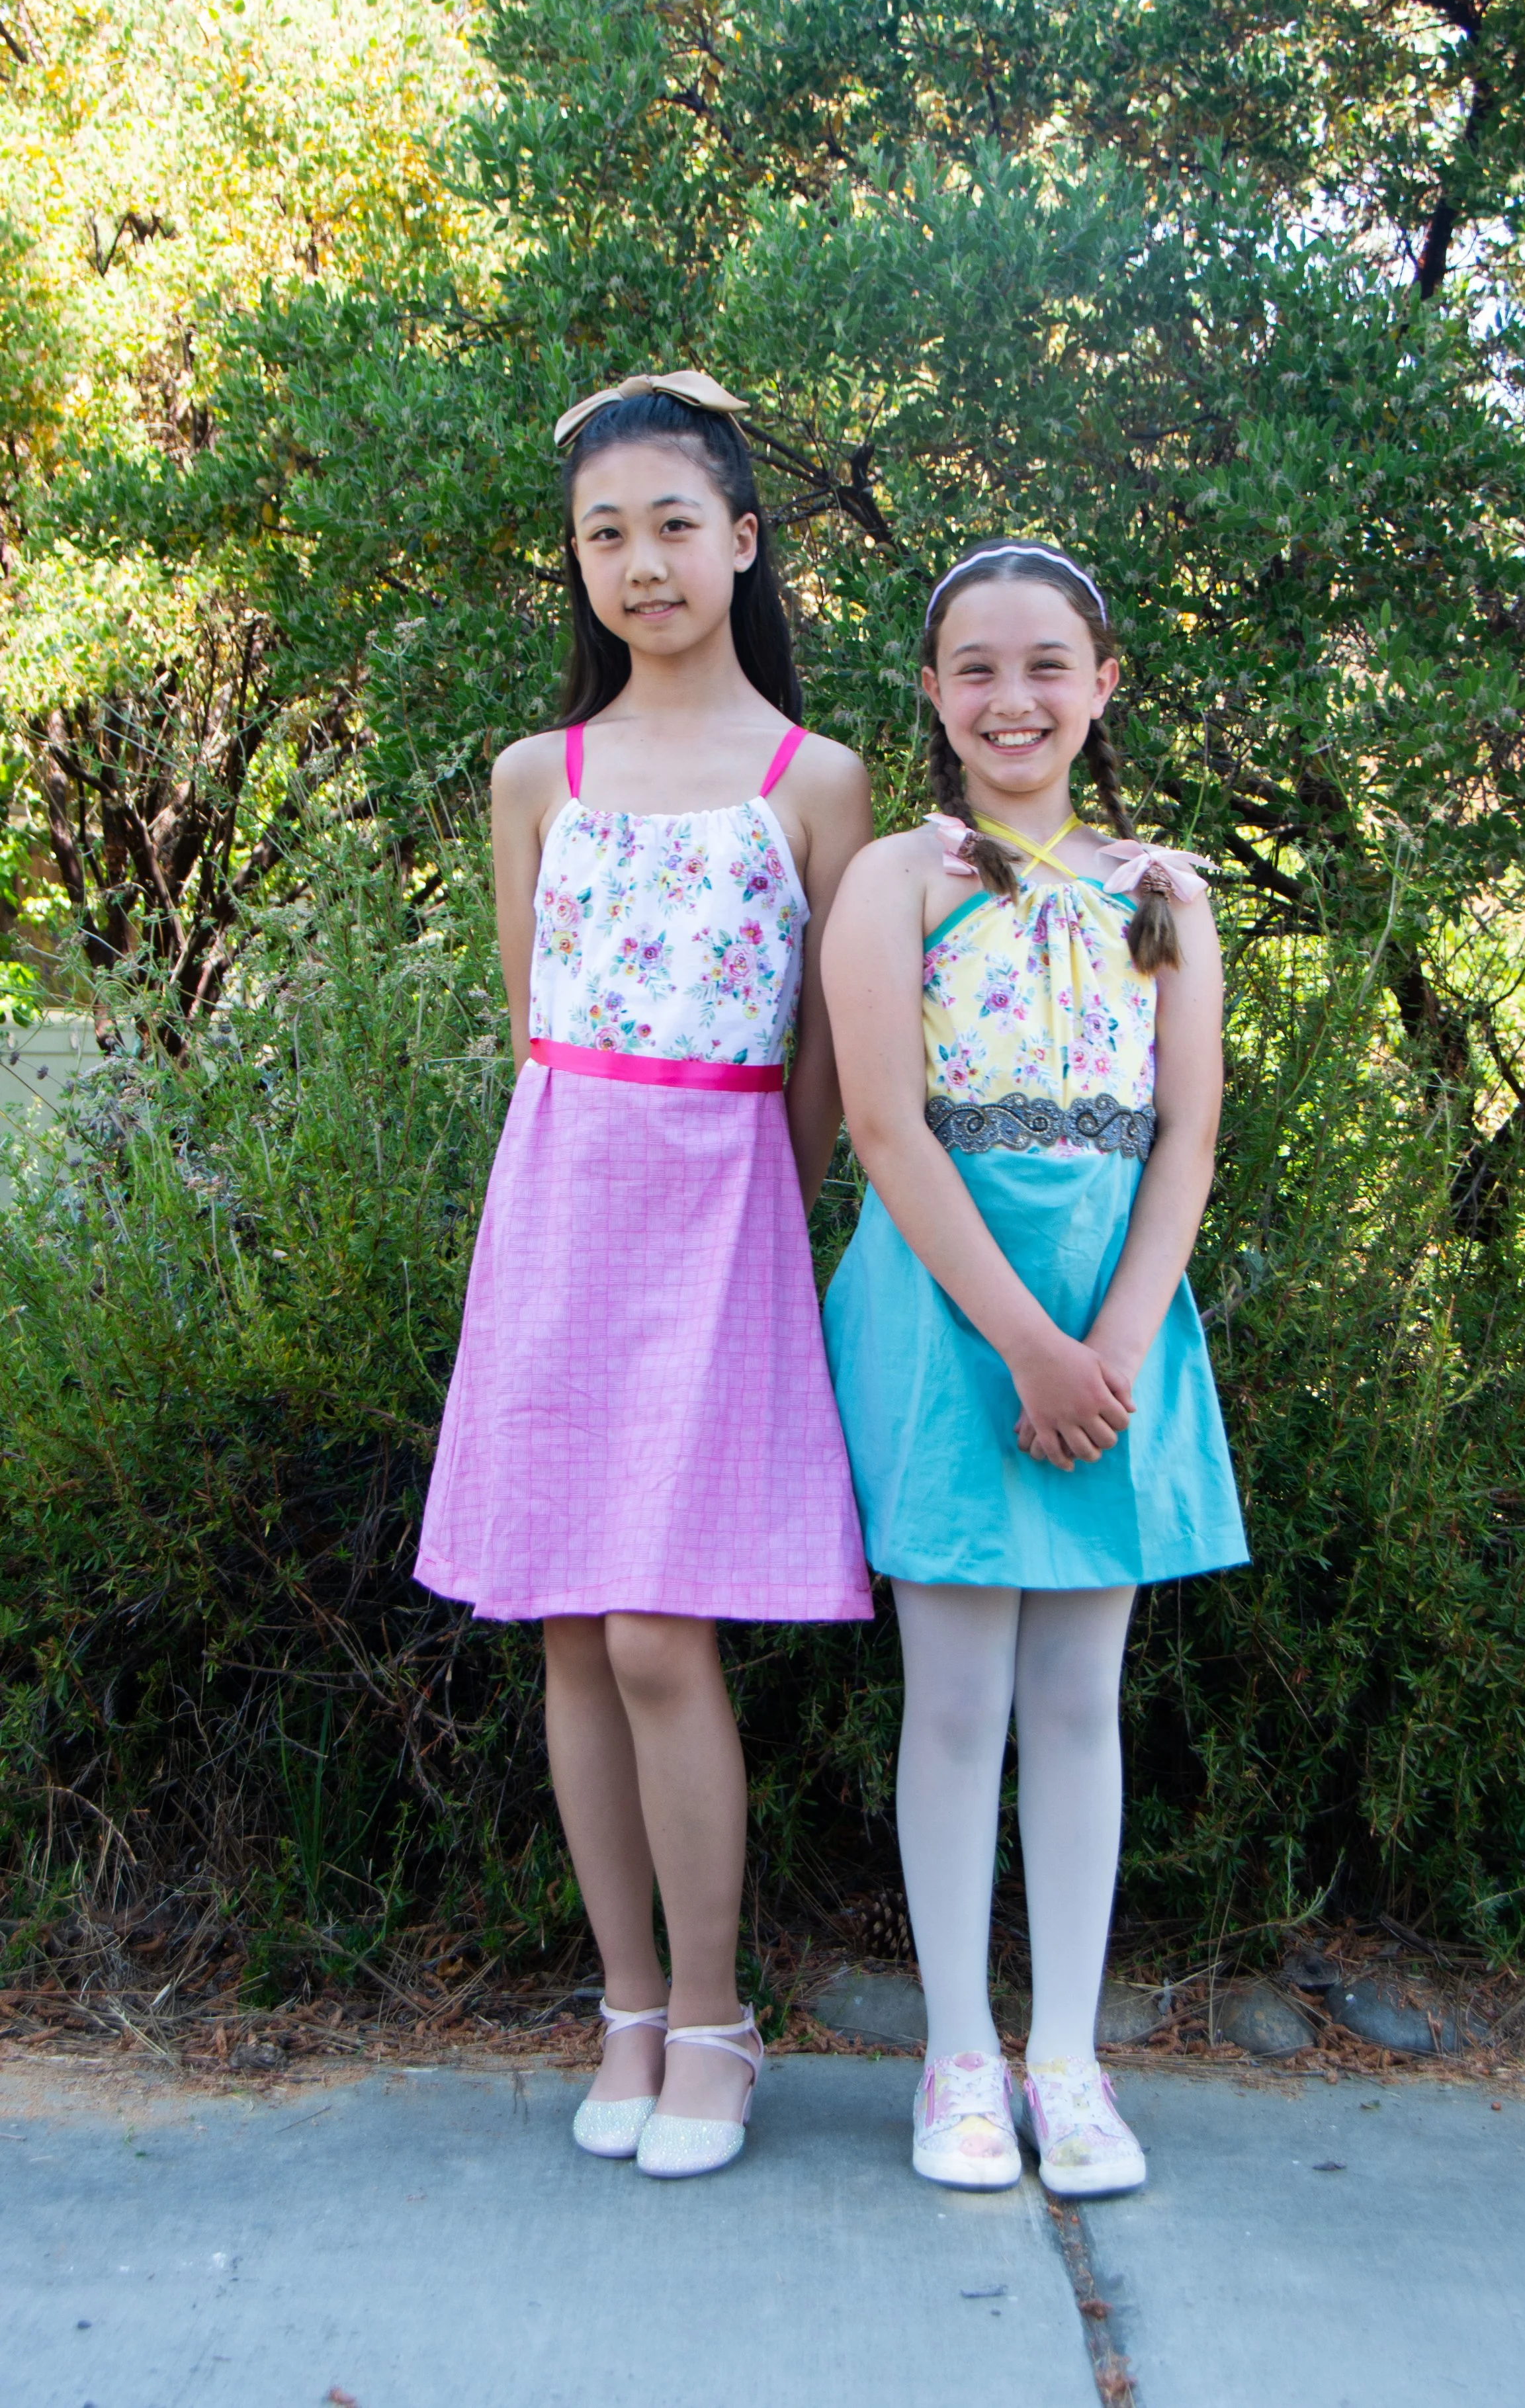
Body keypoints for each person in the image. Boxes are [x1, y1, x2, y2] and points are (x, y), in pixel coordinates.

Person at [415, 371, 873, 2180]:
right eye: (604, 531)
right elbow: (537, 1023)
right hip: (560, 1206)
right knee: (566, 1632)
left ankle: (714, 2014)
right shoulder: (540, 773)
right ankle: (618, 2001)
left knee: (662, 1630)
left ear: (742, 540)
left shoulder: (816, 780)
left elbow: (832, 1068)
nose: (640, 560)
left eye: (674, 523)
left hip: (720, 1212)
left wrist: (759, 1209)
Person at [821, 538, 1247, 2196]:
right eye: (976, 669)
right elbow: (877, 1125)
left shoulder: (1166, 891)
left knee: (1078, 1699)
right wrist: (1026, 1346)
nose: (1013, 698)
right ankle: (954, 2057)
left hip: (1116, 1321)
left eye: (1045, 666)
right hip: (954, 1316)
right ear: (933, 693)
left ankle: (1065, 2060)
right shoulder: (897, 878)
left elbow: (1188, 1134)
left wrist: (1117, 1344)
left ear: (1100, 684)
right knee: (957, 1699)